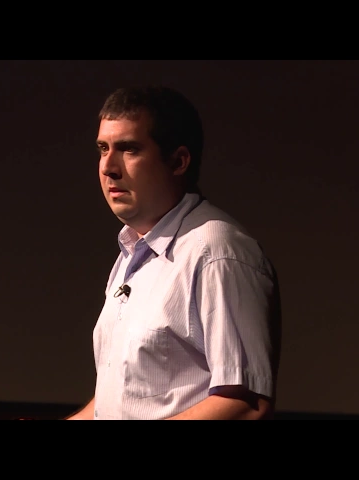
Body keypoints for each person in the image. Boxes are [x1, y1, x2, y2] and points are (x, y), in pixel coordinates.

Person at [65, 85, 282, 420]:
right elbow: (122, 399)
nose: (108, 167)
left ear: (179, 161)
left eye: (129, 149)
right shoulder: (132, 255)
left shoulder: (217, 252)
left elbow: (246, 404)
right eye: (103, 148)